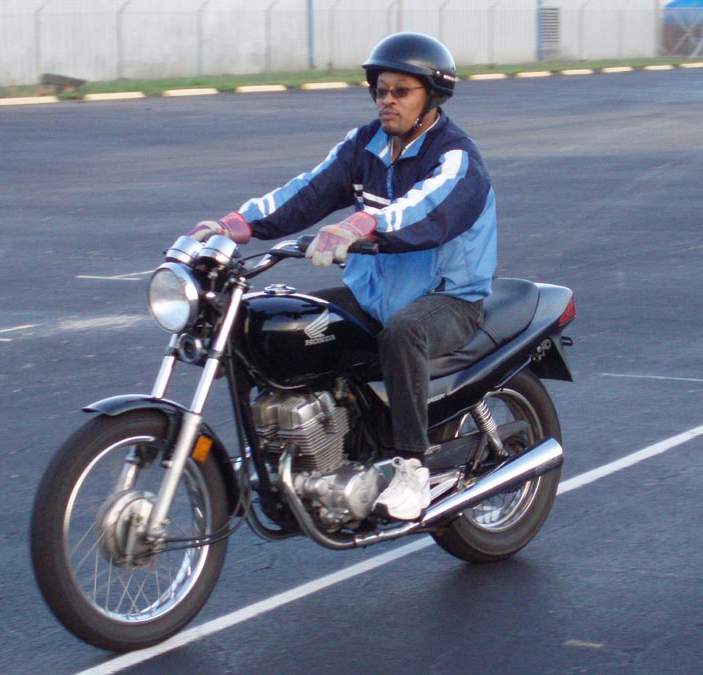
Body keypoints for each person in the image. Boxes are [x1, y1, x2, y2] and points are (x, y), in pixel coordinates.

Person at [187, 32, 497, 521]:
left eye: (401, 91)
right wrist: (237, 224)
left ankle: (412, 468)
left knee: (404, 333)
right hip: (373, 294)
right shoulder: (364, 145)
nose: (387, 100)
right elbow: (308, 191)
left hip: (449, 297)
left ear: (432, 96)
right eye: (380, 90)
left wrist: (360, 224)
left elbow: (425, 209)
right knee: (278, 325)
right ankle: (299, 446)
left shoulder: (456, 157)